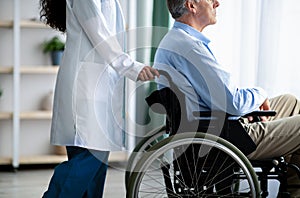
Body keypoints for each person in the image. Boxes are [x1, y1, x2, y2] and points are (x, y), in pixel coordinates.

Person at [154, 0, 300, 196]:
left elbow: (216, 98)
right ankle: (294, 192)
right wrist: (260, 93)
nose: (217, 3)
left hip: (211, 124)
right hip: (225, 137)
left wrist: (248, 104)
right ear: (191, 5)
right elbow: (234, 103)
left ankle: (291, 189)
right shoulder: (189, 47)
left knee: (290, 102)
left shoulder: (177, 40)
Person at [39, 0, 159, 197]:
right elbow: (100, 35)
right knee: (89, 159)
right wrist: (133, 67)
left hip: (98, 86)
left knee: (95, 165)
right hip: (86, 86)